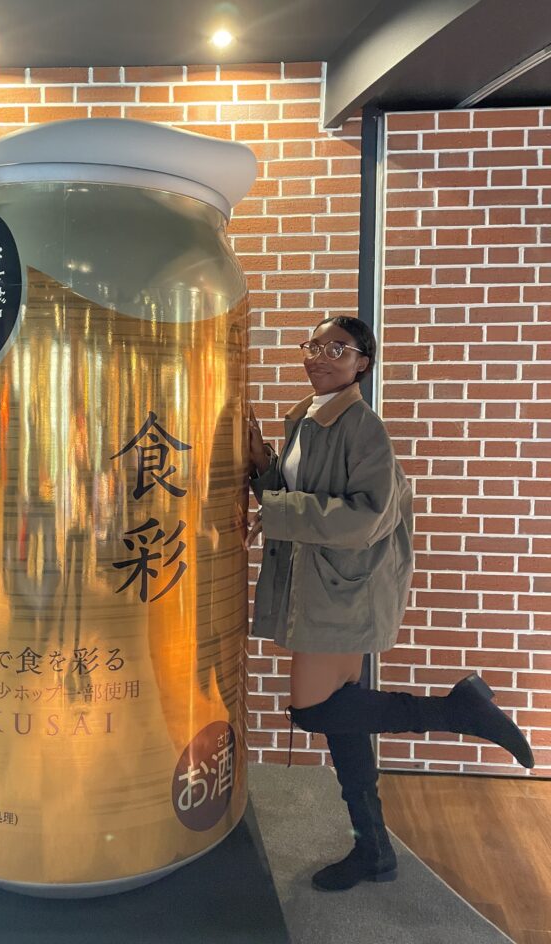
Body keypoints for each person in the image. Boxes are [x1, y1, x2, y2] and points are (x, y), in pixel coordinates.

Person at [246, 314, 534, 893]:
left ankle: (458, 711)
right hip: (324, 587)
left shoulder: (360, 424)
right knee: (344, 719)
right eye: (314, 345)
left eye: (338, 348)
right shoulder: (306, 416)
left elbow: (365, 516)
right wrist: (262, 465)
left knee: (315, 712)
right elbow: (305, 492)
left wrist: (272, 510)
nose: (320, 356)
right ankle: (373, 848)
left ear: (362, 363)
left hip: (341, 591)